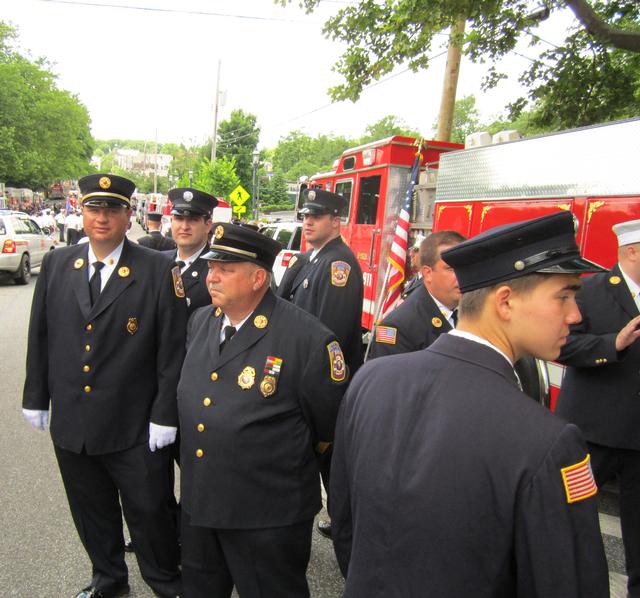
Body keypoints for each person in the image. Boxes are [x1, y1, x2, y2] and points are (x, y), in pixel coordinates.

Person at [330, 211, 610, 597]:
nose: (575, 315)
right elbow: (567, 580)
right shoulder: (550, 440)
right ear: (506, 302)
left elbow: (345, 522)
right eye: (564, 295)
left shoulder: (371, 380)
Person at [22, 173, 187, 598]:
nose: (102, 217)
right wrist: (36, 396)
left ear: (128, 215)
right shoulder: (59, 263)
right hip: (74, 425)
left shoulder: (159, 270)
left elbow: (172, 352)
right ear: (81, 211)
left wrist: (165, 415)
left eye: (113, 208)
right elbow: (40, 334)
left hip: (134, 429)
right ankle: (109, 582)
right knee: (91, 513)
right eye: (94, 208)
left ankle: (167, 585)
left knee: (150, 514)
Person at [178, 222, 347, 598]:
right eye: (211, 266)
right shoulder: (201, 321)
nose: (212, 276)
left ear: (258, 278)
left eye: (226, 268)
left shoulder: (308, 340)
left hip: (267, 514)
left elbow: (328, 431)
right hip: (201, 502)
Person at [556, 217, 640, 598]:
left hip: (638, 441)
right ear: (632, 250)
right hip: (594, 434)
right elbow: (563, 347)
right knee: (567, 522)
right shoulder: (588, 293)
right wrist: (612, 344)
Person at [276, 188, 364, 539]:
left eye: (316, 216)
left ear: (335, 221)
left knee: (332, 464)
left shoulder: (337, 264)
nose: (307, 222)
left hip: (321, 385)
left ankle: (350, 530)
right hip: (302, 375)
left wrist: (310, 384)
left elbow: (332, 335)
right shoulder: (311, 259)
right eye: (305, 216)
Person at [369, 230, 465, 359]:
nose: (462, 276)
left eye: (464, 268)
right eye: (451, 269)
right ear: (428, 273)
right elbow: (391, 377)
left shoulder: (469, 311)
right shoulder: (398, 327)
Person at [165, 187, 218, 318]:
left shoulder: (217, 270)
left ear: (208, 225)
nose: (184, 227)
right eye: (178, 218)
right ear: (171, 221)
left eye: (193, 220)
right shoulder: (158, 262)